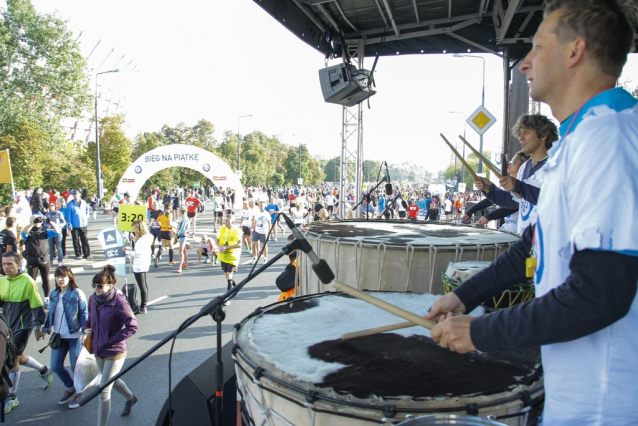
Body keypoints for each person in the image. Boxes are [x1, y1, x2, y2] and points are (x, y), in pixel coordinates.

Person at [427, 1, 638, 424]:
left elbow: (601, 294)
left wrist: (482, 331)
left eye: (538, 48)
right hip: (576, 391)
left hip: (605, 403)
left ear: (575, 52)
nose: (525, 63)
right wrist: (465, 296)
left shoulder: (609, 138)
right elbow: (532, 247)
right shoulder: (580, 140)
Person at [474, 114, 558, 235]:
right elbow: (513, 201)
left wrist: (518, 186)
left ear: (544, 135)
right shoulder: (524, 167)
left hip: (548, 241)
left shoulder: (556, 164)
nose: (521, 137)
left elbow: (552, 201)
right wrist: (489, 189)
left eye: (526, 132)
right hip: (524, 240)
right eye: (520, 133)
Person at [83, 265, 138, 424]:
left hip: (115, 351)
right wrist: (86, 327)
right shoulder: (93, 299)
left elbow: (132, 326)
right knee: (111, 381)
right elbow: (89, 319)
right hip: (98, 349)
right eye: (94, 285)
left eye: (100, 286)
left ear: (110, 285)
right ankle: (130, 397)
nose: (96, 289)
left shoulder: (119, 302)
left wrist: (112, 339)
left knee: (103, 390)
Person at [0, 252, 52, 414]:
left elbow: (37, 304)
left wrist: (38, 327)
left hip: (23, 327)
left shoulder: (27, 281)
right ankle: (44, 370)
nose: (7, 267)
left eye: (10, 264)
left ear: (18, 264)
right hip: (7, 328)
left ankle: (12, 396)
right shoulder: (2, 281)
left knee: (12, 359)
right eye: (4, 264)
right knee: (19, 358)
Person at [42, 266, 88, 405]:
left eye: (63, 276)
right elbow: (50, 313)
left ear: (70, 277)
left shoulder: (77, 293)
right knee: (55, 366)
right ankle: (70, 387)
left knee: (76, 367)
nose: (60, 279)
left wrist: (85, 331)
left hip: (75, 336)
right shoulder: (54, 294)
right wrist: (45, 328)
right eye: (57, 276)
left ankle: (80, 392)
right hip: (59, 336)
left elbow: (84, 313)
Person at [462, 151, 531, 232]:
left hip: (519, 231)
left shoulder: (525, 185)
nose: (509, 164)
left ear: (523, 166)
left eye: (513, 162)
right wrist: (470, 211)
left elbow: (514, 206)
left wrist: (489, 216)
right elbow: (491, 200)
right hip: (508, 228)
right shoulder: (509, 185)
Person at [22, 214, 60, 308]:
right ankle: (32, 299)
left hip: (44, 258)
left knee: (46, 279)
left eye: (39, 221)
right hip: (32, 259)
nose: (37, 222)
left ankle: (46, 299)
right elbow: (24, 232)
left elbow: (57, 231)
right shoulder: (29, 231)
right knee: (32, 280)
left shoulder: (45, 232)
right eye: (36, 220)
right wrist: (32, 223)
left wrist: (50, 221)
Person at [126, 221, 152, 314]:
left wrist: (127, 252)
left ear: (139, 228)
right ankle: (144, 304)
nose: (134, 230)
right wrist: (133, 239)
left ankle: (143, 306)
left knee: (142, 286)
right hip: (143, 263)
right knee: (144, 285)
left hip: (139, 264)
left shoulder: (141, 240)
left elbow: (137, 253)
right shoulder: (145, 238)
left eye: (135, 228)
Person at [215, 214, 241, 304]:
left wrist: (227, 247)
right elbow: (216, 240)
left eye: (227, 221)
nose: (225, 222)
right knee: (227, 276)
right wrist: (220, 247)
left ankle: (227, 298)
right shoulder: (222, 228)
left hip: (233, 257)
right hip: (223, 256)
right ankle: (235, 288)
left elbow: (239, 244)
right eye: (225, 220)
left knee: (229, 275)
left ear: (232, 222)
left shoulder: (237, 230)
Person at [66, 190, 92, 260]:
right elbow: (68, 215)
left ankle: (87, 254)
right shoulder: (70, 204)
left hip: (83, 224)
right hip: (75, 225)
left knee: (85, 240)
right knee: (76, 241)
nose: (75, 195)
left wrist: (87, 218)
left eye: (76, 194)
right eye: (74, 194)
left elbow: (87, 210)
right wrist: (69, 224)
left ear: (79, 194)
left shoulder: (83, 202)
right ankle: (78, 254)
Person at [154, 202, 175, 268]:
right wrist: (174, 226)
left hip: (162, 230)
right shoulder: (169, 214)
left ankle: (157, 257)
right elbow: (169, 223)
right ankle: (170, 260)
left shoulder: (161, 213)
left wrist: (161, 225)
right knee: (171, 246)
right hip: (168, 230)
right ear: (170, 207)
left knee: (162, 246)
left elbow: (157, 222)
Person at [175, 208, 190, 273]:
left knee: (180, 251)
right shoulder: (184, 218)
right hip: (184, 235)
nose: (179, 213)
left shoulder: (185, 219)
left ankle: (180, 266)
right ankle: (186, 264)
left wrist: (178, 234)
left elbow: (183, 228)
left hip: (183, 235)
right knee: (184, 251)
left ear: (182, 212)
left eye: (180, 212)